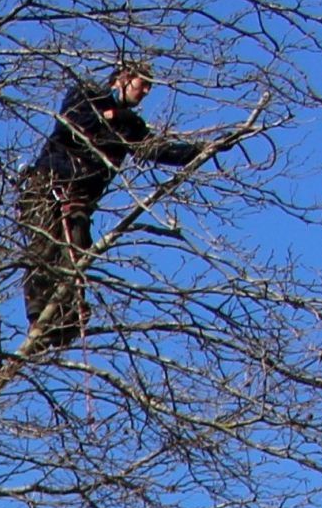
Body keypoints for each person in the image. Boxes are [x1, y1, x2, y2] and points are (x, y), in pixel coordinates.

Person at [18, 59, 233, 352]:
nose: (145, 92)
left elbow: (157, 149)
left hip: (80, 197)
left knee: (76, 254)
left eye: (149, 88)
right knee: (45, 249)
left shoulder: (129, 126)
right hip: (49, 184)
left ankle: (62, 324)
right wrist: (114, 115)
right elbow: (74, 122)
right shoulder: (87, 94)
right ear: (122, 77)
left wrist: (202, 149)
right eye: (142, 84)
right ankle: (39, 318)